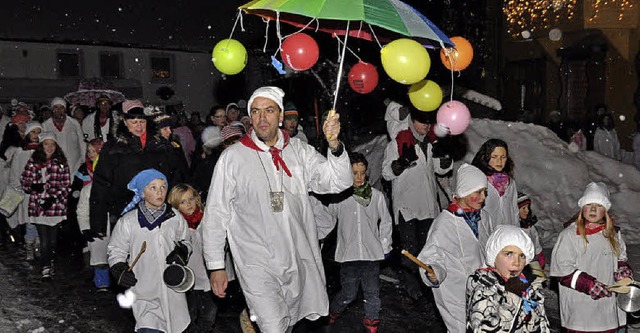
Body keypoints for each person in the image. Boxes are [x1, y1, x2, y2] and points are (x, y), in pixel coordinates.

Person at [202, 86, 351, 333]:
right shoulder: (233, 158)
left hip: (296, 254)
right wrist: (216, 265)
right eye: (256, 111)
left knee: (288, 322)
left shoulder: (299, 151)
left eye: (269, 111)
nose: (262, 118)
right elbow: (216, 213)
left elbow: (336, 182)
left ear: (280, 116)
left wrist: (334, 146)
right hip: (255, 260)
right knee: (273, 326)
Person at [314, 152, 392, 333]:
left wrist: (385, 243)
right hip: (348, 254)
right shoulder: (339, 198)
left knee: (372, 292)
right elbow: (327, 218)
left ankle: (372, 322)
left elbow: (386, 222)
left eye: (362, 173)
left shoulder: (377, 196)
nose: (359, 177)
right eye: (354, 173)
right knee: (348, 293)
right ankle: (333, 311)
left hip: (371, 254)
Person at [89, 99, 189, 239]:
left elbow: (176, 176)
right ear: (124, 121)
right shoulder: (114, 148)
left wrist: (180, 206)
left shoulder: (160, 145)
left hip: (158, 207)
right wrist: (97, 223)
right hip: (125, 208)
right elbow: (101, 184)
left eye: (142, 121)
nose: (139, 126)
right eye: (134, 122)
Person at [381, 105, 453, 300]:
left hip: (428, 206)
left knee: (428, 249)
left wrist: (445, 158)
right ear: (412, 122)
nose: (426, 126)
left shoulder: (431, 143)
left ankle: (427, 285)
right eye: (422, 122)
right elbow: (386, 174)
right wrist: (400, 164)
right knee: (410, 249)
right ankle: (412, 287)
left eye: (429, 122)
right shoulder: (398, 143)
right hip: (407, 207)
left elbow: (440, 169)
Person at [108, 169, 192, 333]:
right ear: (142, 193)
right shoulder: (129, 221)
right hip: (144, 289)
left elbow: (186, 240)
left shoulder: (175, 217)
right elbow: (116, 249)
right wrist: (118, 268)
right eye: (153, 188)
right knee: (150, 327)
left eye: (162, 187)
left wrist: (182, 251)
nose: (159, 192)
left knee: (176, 325)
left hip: (172, 289)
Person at [417, 163, 495, 332]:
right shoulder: (444, 223)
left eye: (485, 192)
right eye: (478, 192)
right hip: (456, 291)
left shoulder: (483, 218)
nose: (483, 197)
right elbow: (432, 256)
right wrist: (434, 271)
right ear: (465, 192)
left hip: (483, 290)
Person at [550, 182, 631, 332]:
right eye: (589, 204)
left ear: (605, 210)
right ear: (582, 208)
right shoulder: (569, 235)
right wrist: (588, 284)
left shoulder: (613, 233)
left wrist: (622, 269)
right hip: (581, 308)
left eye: (599, 205)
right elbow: (562, 269)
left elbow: (621, 257)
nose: (593, 209)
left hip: (608, 307)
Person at [467, 225, 550, 332]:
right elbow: (484, 329)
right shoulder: (484, 289)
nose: (517, 262)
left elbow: (542, 324)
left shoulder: (530, 287)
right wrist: (512, 297)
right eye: (508, 254)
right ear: (494, 256)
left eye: (522, 256)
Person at [20, 132, 71, 280]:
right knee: (44, 240)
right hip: (39, 207)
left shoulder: (61, 162)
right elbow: (24, 181)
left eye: (52, 144)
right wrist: (33, 187)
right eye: (46, 144)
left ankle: (51, 260)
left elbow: (66, 185)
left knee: (53, 240)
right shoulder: (33, 161)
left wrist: (54, 198)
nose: (49, 147)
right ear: (41, 146)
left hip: (55, 207)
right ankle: (45, 267)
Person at [168, 184, 217, 333]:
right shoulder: (175, 226)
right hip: (187, 282)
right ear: (176, 205)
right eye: (183, 202)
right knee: (188, 319)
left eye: (191, 199)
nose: (188, 204)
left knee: (208, 318)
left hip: (208, 280)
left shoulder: (207, 220)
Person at [7, 122, 42, 260]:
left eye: (39, 132)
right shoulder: (21, 152)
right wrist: (17, 187)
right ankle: (29, 247)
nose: (36, 135)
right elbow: (15, 172)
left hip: (41, 192)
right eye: (33, 132)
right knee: (30, 222)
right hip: (26, 192)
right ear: (27, 134)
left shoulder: (45, 149)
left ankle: (39, 245)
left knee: (41, 220)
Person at [472, 138, 519, 227]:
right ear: (485, 157)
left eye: (503, 157)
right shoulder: (478, 182)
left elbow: (514, 211)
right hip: (487, 235)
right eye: (494, 157)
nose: (499, 161)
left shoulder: (510, 183)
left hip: (507, 234)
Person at [42, 97, 86, 176]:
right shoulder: (45, 125)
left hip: (74, 161)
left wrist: (84, 159)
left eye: (61, 107)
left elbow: (81, 141)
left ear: (65, 109)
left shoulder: (74, 123)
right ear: (52, 109)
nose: (58, 110)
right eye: (56, 107)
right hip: (54, 162)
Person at [517, 192, 546, 274]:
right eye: (523, 208)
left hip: (533, 260)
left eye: (528, 207)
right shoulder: (515, 229)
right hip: (522, 263)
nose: (527, 210)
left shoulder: (529, 226)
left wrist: (539, 253)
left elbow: (535, 239)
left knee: (538, 282)